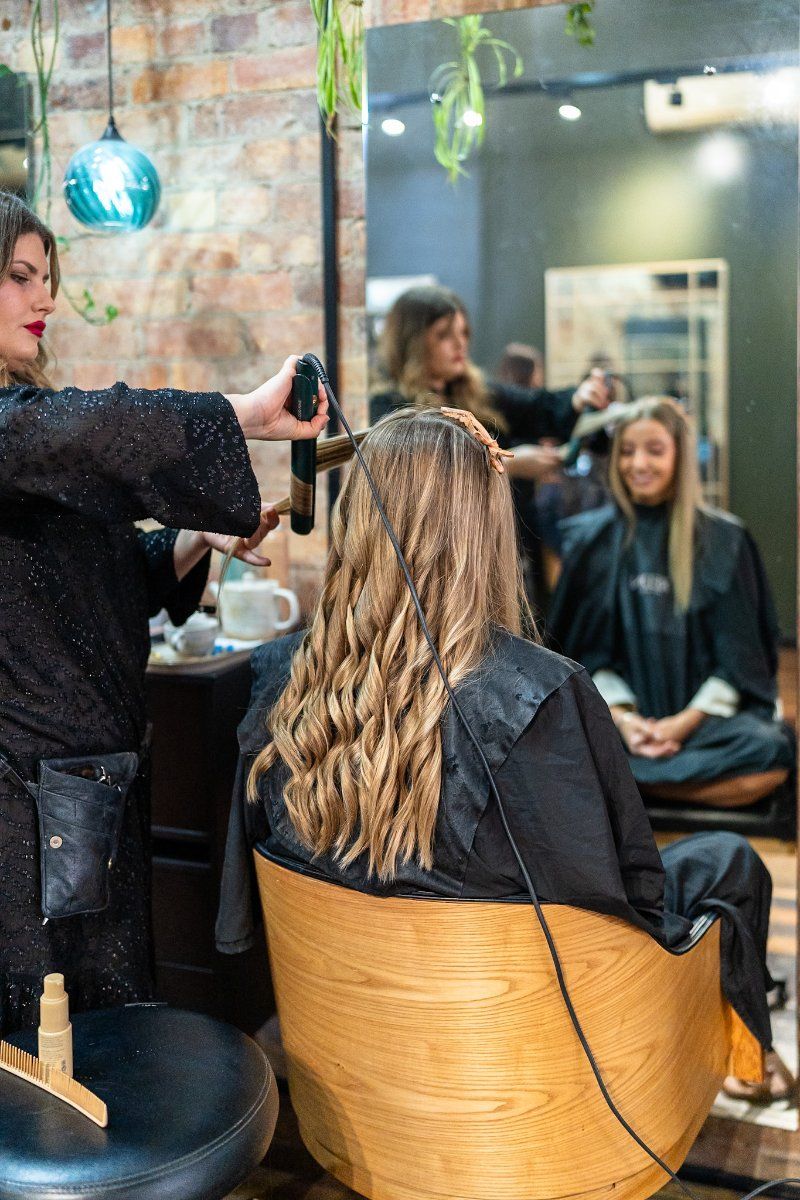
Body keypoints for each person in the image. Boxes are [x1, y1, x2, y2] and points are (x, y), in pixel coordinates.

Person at [217, 406, 792, 1099]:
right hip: (522, 1084)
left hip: (352, 1079)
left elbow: (241, 907)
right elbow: (622, 910)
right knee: (726, 860)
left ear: (359, 520)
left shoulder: (280, 677)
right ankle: (752, 1065)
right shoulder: (541, 697)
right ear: (482, 529)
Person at [0, 191, 328, 1034]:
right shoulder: (17, 434)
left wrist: (193, 540)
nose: (45, 300)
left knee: (108, 1023)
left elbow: (101, 582)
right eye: (19, 277)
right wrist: (246, 416)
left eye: (49, 279)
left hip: (88, 783)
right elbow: (92, 428)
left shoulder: (26, 436)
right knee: (54, 1040)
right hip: (25, 802)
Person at [547, 396, 794, 795]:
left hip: (702, 728)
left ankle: (628, 791)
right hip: (619, 726)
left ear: (680, 456)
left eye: (654, 450)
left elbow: (740, 662)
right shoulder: (590, 540)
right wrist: (626, 721)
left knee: (768, 747)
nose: (638, 464)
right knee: (557, 743)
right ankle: (673, 785)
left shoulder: (724, 541)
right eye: (627, 452)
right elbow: (580, 657)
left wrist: (683, 723)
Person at [369, 286, 611, 611]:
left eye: (463, 332)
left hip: (505, 549)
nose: (460, 344)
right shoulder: (390, 408)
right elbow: (425, 479)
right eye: (443, 335)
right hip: (442, 565)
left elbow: (542, 407)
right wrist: (508, 465)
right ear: (411, 341)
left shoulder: (479, 393)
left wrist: (578, 398)